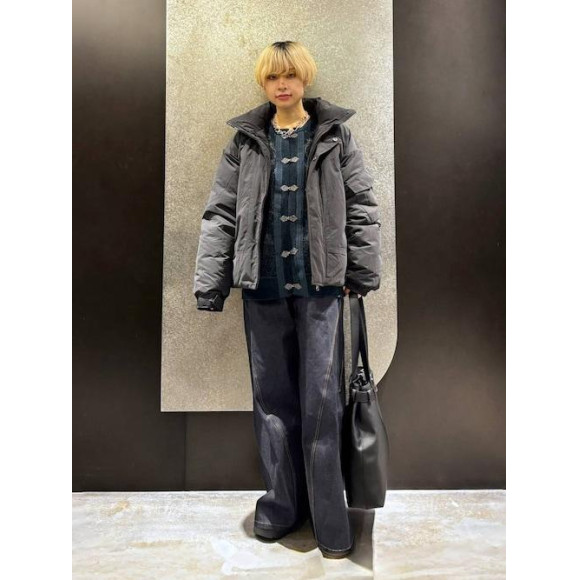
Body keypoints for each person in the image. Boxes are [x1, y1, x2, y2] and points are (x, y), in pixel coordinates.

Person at [193, 40, 382, 559]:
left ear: (305, 79)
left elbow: (362, 205)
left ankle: (329, 518)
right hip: (264, 290)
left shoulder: (335, 136)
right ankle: (281, 506)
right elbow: (221, 212)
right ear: (263, 82)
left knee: (321, 404)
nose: (283, 84)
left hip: (322, 291)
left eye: (291, 75)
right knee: (272, 403)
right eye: (274, 76)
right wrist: (211, 284)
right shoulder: (245, 142)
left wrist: (361, 272)